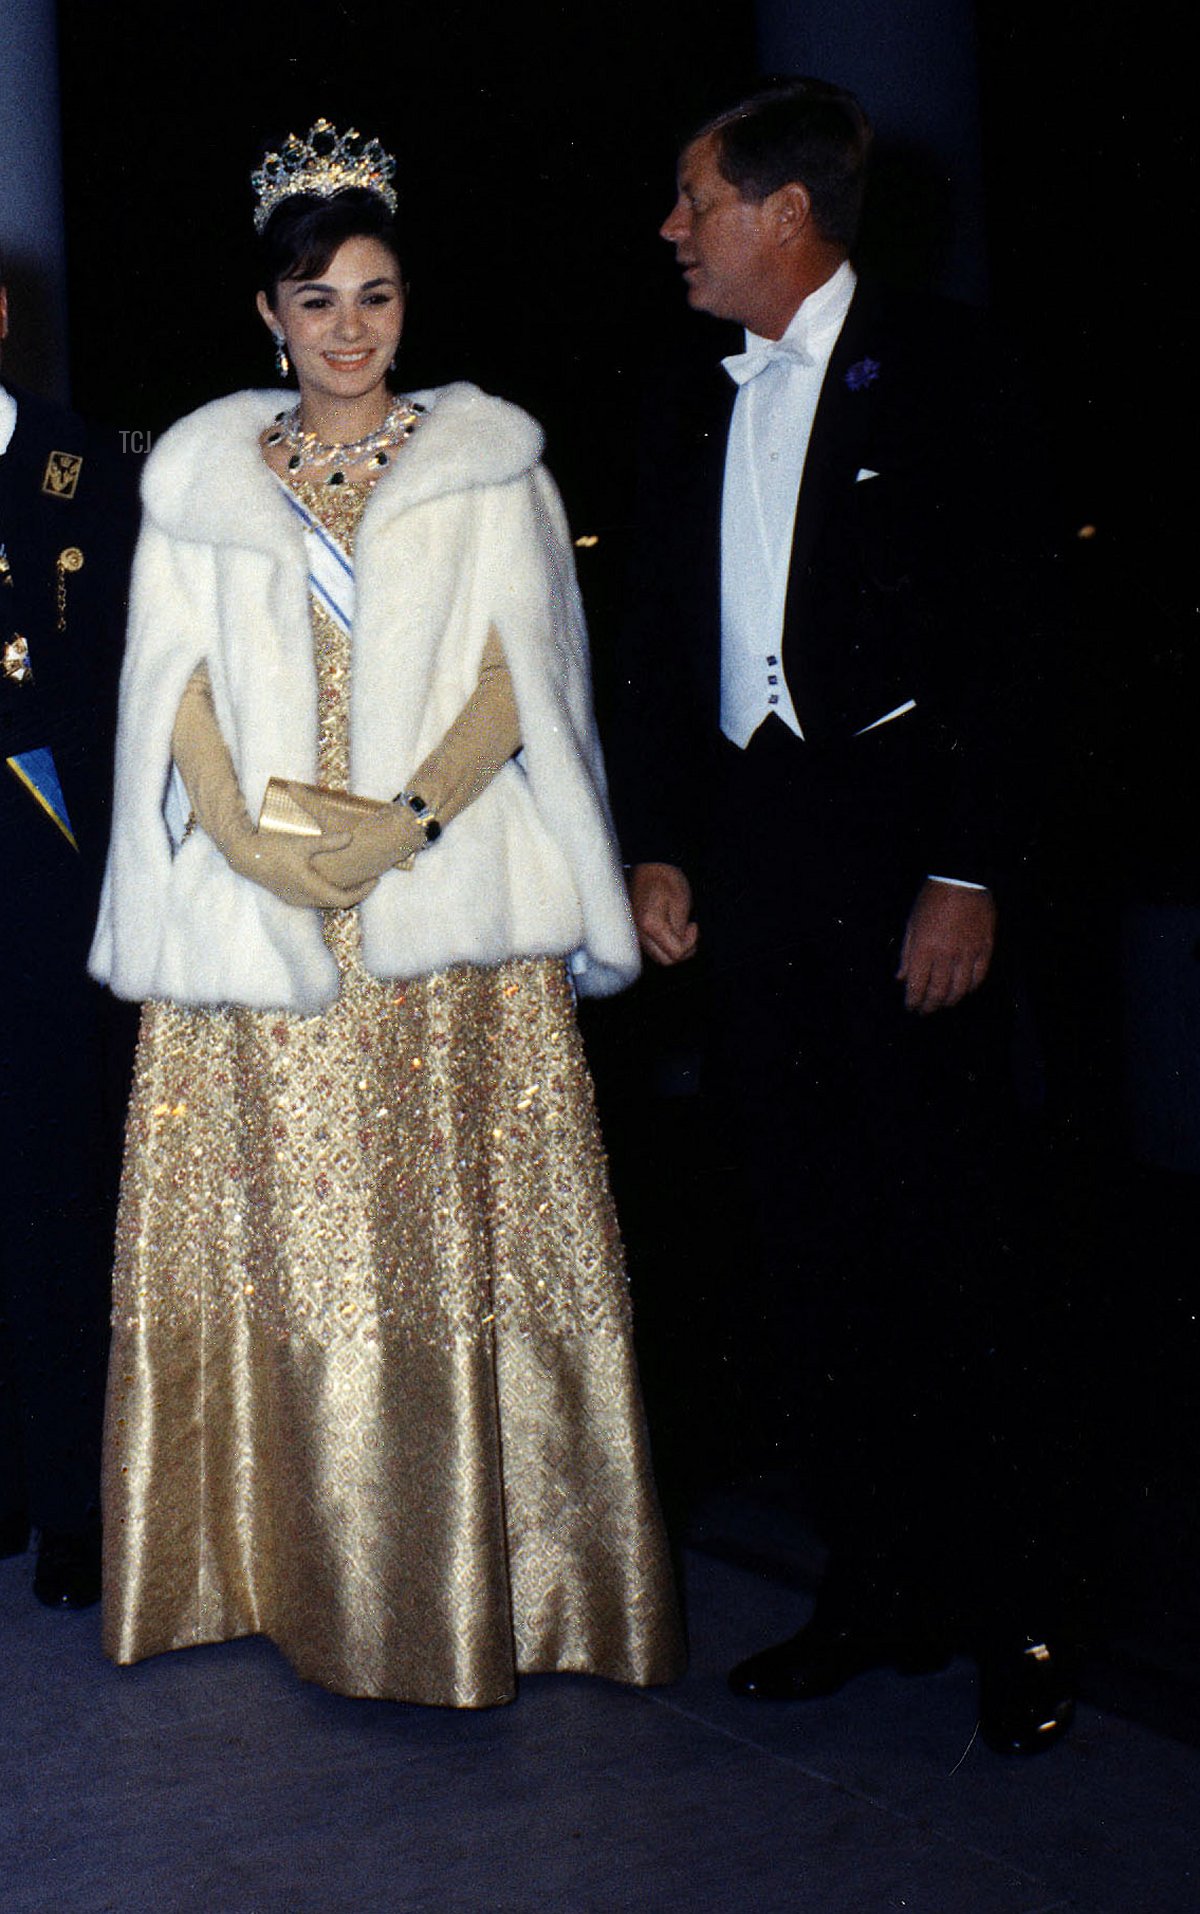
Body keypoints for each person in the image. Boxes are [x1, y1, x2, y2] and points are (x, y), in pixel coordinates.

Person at [88, 120, 682, 1706]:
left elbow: (525, 681)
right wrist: (254, 847)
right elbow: (174, 692)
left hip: (441, 903)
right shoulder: (205, 478)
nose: (351, 328)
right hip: (264, 909)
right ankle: (258, 1565)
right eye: (318, 300)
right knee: (287, 1247)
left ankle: (479, 1589)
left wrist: (407, 822)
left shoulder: (487, 462)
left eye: (376, 295)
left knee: (438, 1248)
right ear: (267, 316)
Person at [612, 79, 1073, 1754]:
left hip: (908, 872)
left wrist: (973, 871)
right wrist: (659, 847)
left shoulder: (954, 367)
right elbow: (659, 651)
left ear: (781, 214)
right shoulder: (683, 398)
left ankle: (1019, 1611)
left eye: (692, 200)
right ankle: (871, 1583)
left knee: (958, 1242)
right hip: (757, 867)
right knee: (808, 1246)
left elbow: (1024, 644)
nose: (673, 229)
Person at [0, 258, 137, 1609]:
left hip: (37, 879)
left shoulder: (75, 468)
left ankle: (72, 1497)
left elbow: (119, 696)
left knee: (51, 1189)